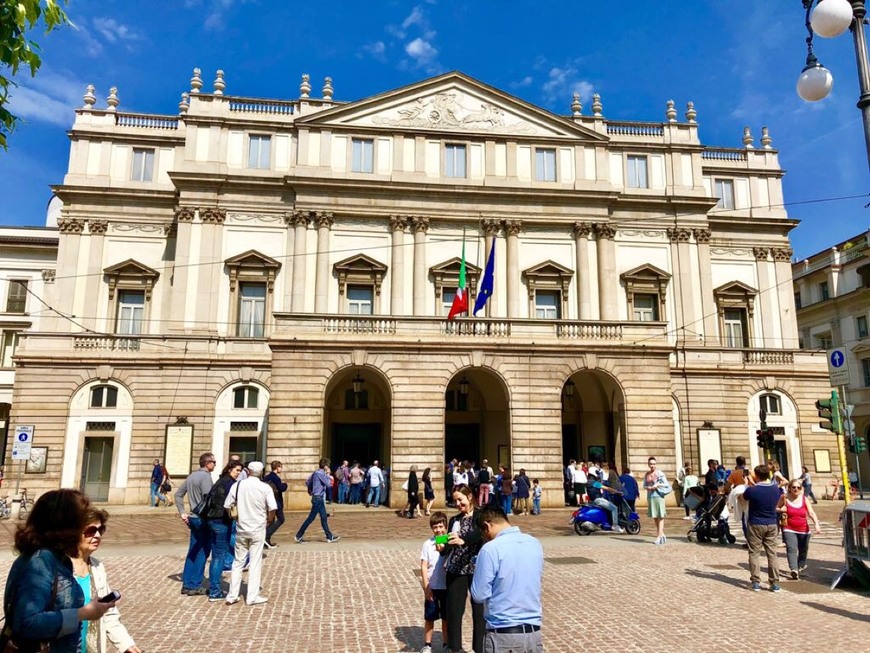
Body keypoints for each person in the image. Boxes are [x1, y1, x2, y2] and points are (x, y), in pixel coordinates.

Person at [1, 489, 115, 653]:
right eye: (81, 520)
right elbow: (28, 621)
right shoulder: (41, 560)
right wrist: (83, 613)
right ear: (65, 523)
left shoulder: (56, 557)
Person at [471, 505, 544, 653]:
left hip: (503, 635)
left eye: (483, 534)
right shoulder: (534, 543)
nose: (484, 538)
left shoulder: (490, 549)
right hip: (533, 634)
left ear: (486, 526)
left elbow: (478, 595)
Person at [72, 507, 140, 653]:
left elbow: (108, 612)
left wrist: (126, 644)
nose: (97, 536)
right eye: (91, 531)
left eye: (100, 530)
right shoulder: (58, 568)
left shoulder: (97, 567)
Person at [224, 461, 276, 606]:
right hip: (258, 528)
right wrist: (269, 521)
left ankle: (232, 595)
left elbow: (227, 505)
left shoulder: (238, 485)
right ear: (261, 472)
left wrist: (235, 517)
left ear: (248, 471)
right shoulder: (264, 487)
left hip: (242, 528)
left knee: (238, 561)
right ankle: (252, 596)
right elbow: (272, 508)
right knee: (255, 561)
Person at [443, 485, 485, 653]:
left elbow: (480, 534)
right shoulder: (454, 520)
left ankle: (480, 648)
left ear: (469, 497)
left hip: (477, 569)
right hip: (456, 569)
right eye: (455, 501)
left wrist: (463, 539)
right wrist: (443, 547)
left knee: (479, 610)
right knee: (454, 610)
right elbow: (449, 544)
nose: (458, 504)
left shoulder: (481, 515)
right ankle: (455, 648)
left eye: (460, 499)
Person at [174, 452, 216, 595]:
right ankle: (194, 584)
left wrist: (182, 512)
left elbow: (178, 494)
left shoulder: (191, 476)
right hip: (203, 518)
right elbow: (208, 499)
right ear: (207, 463)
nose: (215, 464)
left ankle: (186, 583)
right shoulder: (206, 477)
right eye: (213, 462)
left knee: (193, 550)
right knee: (203, 551)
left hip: (192, 516)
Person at [203, 459, 243, 601]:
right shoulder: (230, 484)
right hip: (222, 521)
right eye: (237, 470)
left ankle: (214, 586)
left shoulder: (220, 481)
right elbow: (231, 504)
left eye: (240, 471)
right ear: (230, 469)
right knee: (219, 556)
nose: (238, 473)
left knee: (216, 556)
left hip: (211, 520)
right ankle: (215, 591)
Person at [740, 464, 782, 592]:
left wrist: (747, 484)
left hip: (755, 523)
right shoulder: (775, 489)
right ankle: (774, 583)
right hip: (771, 523)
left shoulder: (752, 490)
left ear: (756, 476)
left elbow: (743, 498)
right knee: (772, 554)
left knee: (754, 553)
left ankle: (755, 582)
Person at [777, 478, 821, 579]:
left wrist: (816, 524)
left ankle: (800, 567)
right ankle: (794, 569)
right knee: (791, 548)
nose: (796, 489)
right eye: (794, 487)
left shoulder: (804, 499)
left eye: (798, 487)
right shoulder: (784, 497)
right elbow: (776, 508)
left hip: (804, 529)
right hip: (789, 528)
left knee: (803, 550)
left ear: (801, 488)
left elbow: (811, 512)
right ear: (789, 488)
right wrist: (780, 509)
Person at [419, 512, 449, 653]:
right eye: (435, 527)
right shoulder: (428, 544)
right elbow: (424, 566)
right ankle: (428, 644)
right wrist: (426, 586)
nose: (438, 530)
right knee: (430, 616)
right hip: (433, 584)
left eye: (440, 526)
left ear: (446, 526)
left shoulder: (450, 541)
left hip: (447, 586)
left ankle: (446, 643)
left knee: (446, 618)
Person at [296, 458, 341, 543]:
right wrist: (328, 474)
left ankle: (329, 536)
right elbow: (328, 485)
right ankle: (298, 535)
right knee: (310, 518)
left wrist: (313, 488)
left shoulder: (316, 472)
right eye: (328, 465)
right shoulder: (320, 473)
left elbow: (307, 481)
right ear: (325, 466)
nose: (328, 467)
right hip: (318, 498)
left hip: (318, 498)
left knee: (324, 517)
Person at [644, 457, 668, 545]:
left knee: (660, 515)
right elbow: (644, 485)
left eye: (654, 464)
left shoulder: (659, 473)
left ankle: (659, 535)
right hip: (650, 496)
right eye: (651, 464)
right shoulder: (647, 474)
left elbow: (666, 483)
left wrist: (657, 485)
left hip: (659, 496)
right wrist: (648, 487)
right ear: (648, 464)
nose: (652, 465)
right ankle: (661, 534)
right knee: (654, 516)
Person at [264, 460, 288, 548]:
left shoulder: (266, 477)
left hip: (268, 501)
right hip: (276, 501)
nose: (281, 469)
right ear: (277, 467)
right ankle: (266, 535)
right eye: (280, 467)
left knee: (271, 520)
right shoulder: (275, 478)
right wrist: (285, 484)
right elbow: (281, 488)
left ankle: (267, 541)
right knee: (281, 519)